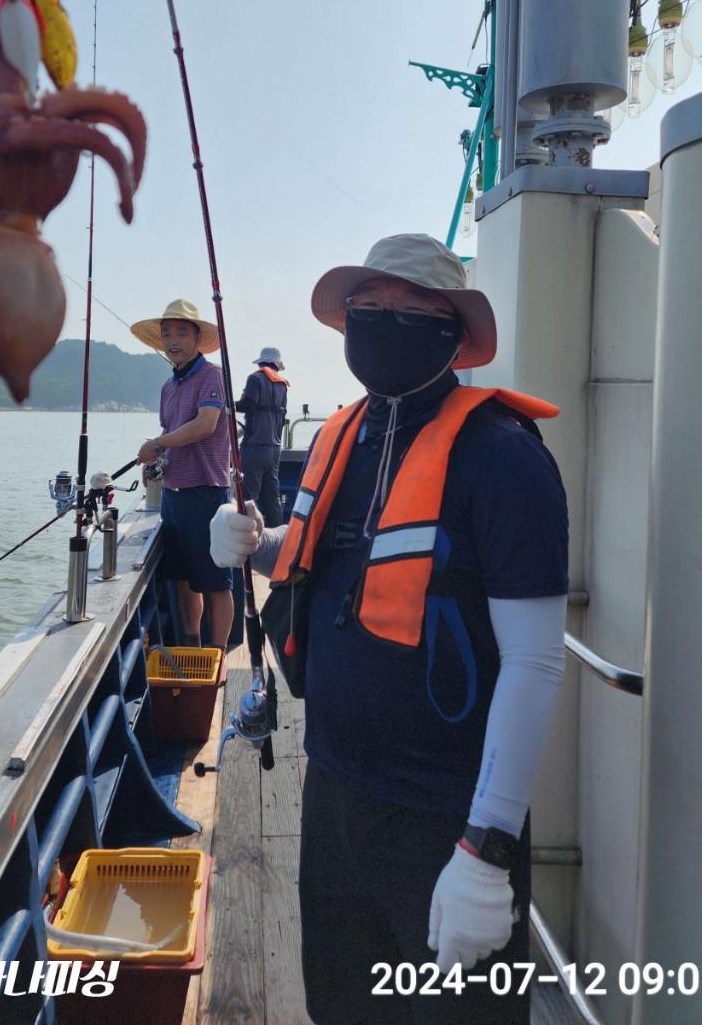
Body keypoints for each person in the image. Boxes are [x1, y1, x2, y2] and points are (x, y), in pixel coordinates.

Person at [209, 234, 568, 1024]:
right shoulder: (345, 435)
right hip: (333, 793)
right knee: (342, 1004)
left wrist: (487, 849)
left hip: (448, 817)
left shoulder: (504, 458)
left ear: (453, 332)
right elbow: (325, 563)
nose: (386, 320)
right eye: (369, 306)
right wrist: (250, 542)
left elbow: (537, 660)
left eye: (413, 308)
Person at [131, 299, 234, 651]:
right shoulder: (168, 387)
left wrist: (157, 444)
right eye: (166, 334)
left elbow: (206, 424)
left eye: (180, 332)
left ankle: (217, 654)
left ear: (197, 337)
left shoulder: (211, 376)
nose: (172, 340)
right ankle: (191, 643)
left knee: (216, 582)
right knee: (182, 579)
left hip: (207, 492)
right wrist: (155, 463)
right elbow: (173, 434)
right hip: (174, 494)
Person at [235, 346, 289, 527]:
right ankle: (278, 539)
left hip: (254, 447)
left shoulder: (255, 378)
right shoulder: (282, 384)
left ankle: (250, 541)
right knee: (272, 498)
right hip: (274, 450)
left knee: (249, 498)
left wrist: (226, 402)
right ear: (277, 365)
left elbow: (248, 405)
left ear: (261, 362)